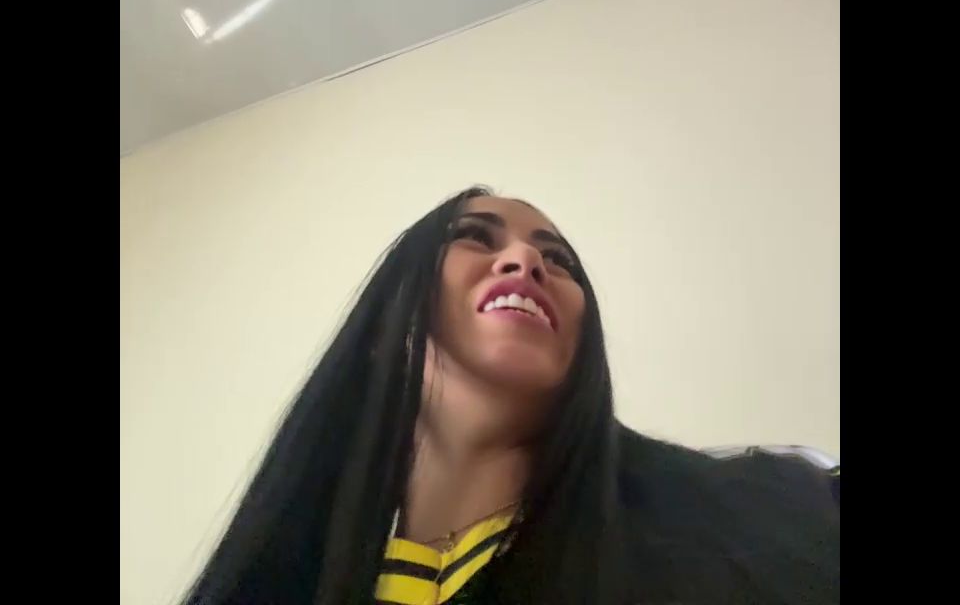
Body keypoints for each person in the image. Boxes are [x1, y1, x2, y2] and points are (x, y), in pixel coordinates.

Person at [182, 187, 839, 604]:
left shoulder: (769, 507)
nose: (526, 261)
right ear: (386, 329)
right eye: (475, 236)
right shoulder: (285, 575)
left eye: (560, 261)